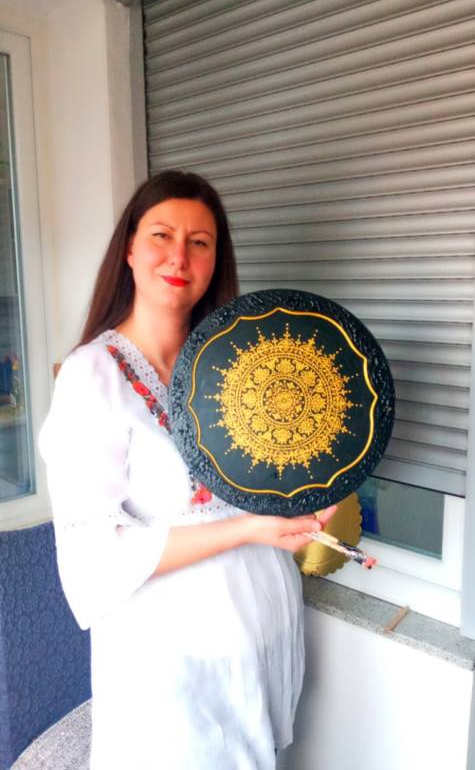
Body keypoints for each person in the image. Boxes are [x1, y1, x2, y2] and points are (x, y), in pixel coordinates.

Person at [39, 170, 336, 770]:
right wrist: (249, 528)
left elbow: (262, 484)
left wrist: (304, 504)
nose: (179, 256)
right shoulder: (93, 376)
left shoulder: (237, 368)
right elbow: (93, 553)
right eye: (162, 235)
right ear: (129, 248)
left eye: (200, 242)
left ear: (215, 259)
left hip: (262, 634)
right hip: (167, 659)